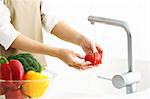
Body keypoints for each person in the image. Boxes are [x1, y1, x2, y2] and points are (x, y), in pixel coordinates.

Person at [0, 0, 102, 70]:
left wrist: (81, 40)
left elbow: (49, 19)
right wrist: (57, 53)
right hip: (6, 70)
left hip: (35, 67)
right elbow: (7, 35)